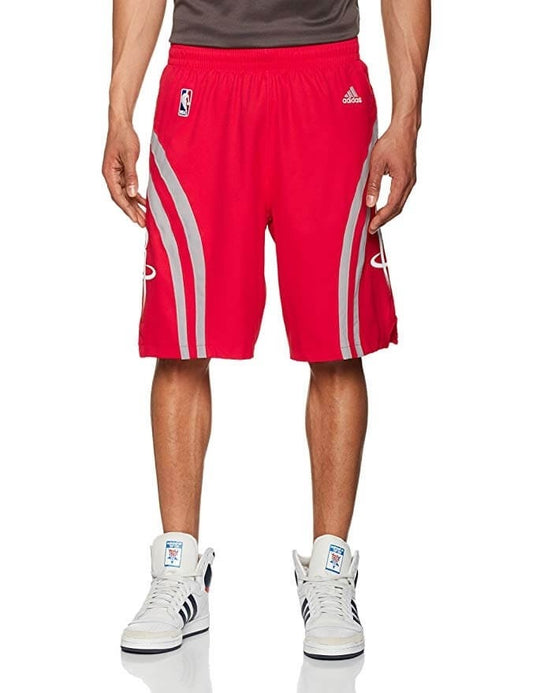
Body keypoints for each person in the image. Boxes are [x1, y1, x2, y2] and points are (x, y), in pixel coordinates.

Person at [103, 0, 430, 660]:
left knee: (336, 340)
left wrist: (406, 119)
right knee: (181, 338)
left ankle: (330, 569)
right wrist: (119, 109)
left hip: (324, 77)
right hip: (201, 78)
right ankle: (179, 569)